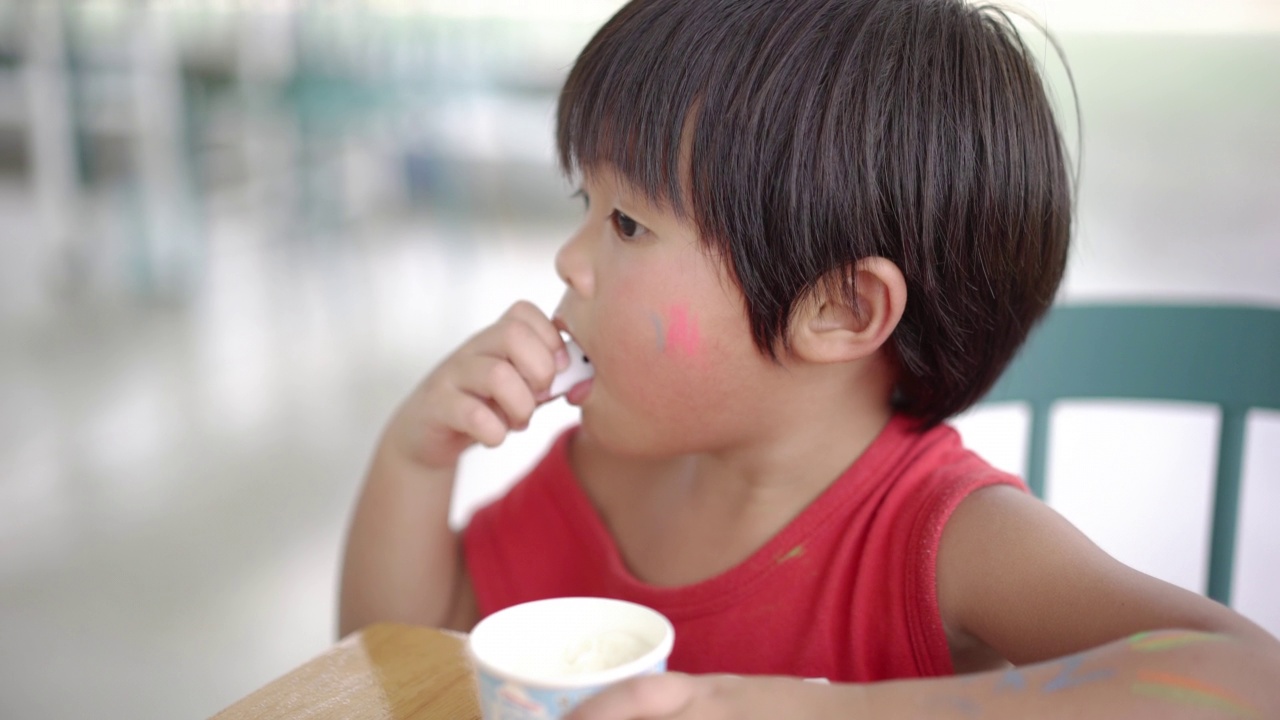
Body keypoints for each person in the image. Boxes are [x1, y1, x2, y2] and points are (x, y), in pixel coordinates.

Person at [339, 0, 1280, 717]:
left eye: (627, 222)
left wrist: (815, 706)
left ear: (838, 308)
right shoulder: (605, 469)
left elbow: (1245, 678)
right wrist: (417, 458)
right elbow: (408, 655)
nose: (568, 260)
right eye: (584, 202)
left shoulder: (945, 541)